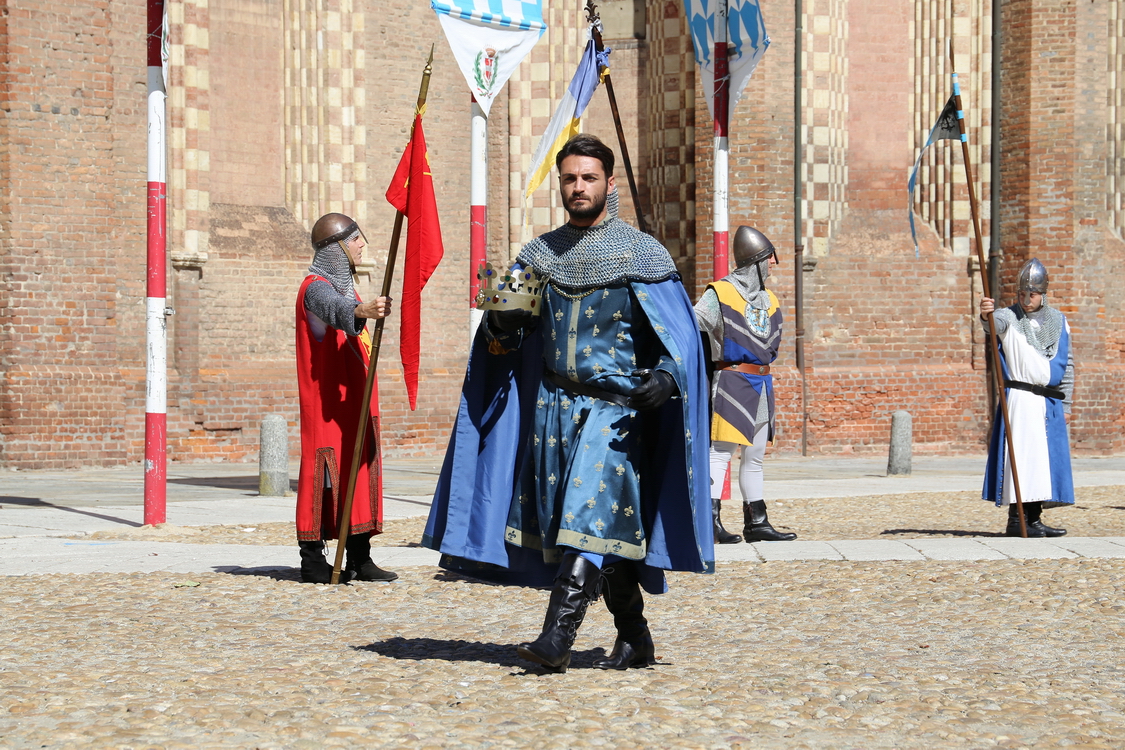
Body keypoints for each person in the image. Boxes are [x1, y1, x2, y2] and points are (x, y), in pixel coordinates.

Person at [423, 134, 713, 673]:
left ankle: (556, 638)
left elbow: (683, 338)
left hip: (617, 410)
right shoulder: (537, 256)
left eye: (588, 178)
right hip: (553, 411)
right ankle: (635, 636)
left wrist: (670, 377)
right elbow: (497, 344)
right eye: (569, 178)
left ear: (609, 183)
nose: (577, 187)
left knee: (590, 507)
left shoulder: (641, 251)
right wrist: (499, 322)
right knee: (595, 524)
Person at [294, 212, 398, 583]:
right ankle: (313, 559)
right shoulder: (315, 288)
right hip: (327, 406)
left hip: (355, 402)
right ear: (334, 249)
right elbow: (335, 312)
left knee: (361, 470)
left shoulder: (346, 288)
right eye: (354, 239)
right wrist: (360, 310)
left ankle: (359, 555)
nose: (360, 245)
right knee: (327, 475)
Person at [695, 226, 797, 544]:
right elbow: (691, 322)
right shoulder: (720, 294)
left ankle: (757, 522)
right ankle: (708, 523)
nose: (771, 266)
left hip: (762, 381)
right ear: (755, 262)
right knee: (721, 452)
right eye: (768, 260)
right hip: (732, 379)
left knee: (754, 455)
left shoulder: (769, 299)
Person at [980, 257, 1074, 537]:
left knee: (1043, 462)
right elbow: (991, 325)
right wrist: (985, 312)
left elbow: (1068, 365)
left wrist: (1066, 402)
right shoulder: (1008, 317)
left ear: (1042, 294)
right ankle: (1016, 520)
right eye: (1022, 294)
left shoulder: (1059, 321)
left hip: (1049, 401)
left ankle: (1034, 519)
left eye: (1031, 294)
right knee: (1022, 459)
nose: (1026, 299)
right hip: (1020, 399)